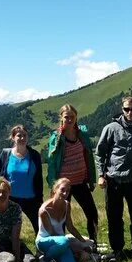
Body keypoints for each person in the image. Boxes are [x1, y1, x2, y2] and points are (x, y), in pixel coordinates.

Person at [95, 95, 132, 262]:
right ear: (122, 109)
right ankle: (118, 250)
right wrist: (100, 174)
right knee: (114, 216)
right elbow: (100, 153)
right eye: (126, 109)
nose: (130, 112)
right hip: (113, 179)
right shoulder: (111, 128)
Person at [47, 104, 98, 243]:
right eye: (66, 117)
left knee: (92, 214)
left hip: (81, 182)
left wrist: (91, 178)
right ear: (61, 118)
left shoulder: (82, 134)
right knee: (61, 217)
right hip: (64, 186)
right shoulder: (56, 137)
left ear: (76, 118)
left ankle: (93, 243)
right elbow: (51, 163)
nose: (69, 119)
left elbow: (89, 157)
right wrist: (53, 185)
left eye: (72, 117)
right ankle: (60, 245)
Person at [0, 125, 43, 235]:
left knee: (40, 227)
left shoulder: (34, 155)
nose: (22, 138)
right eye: (19, 135)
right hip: (9, 198)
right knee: (7, 228)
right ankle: (6, 249)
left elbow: (38, 178)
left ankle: (40, 250)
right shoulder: (6, 154)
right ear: (13, 137)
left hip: (31, 199)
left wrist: (40, 199)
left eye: (24, 135)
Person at [36, 178, 94, 262]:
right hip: (45, 241)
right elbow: (51, 233)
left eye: (67, 191)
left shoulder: (67, 205)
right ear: (55, 189)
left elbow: (70, 227)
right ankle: (45, 259)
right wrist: (70, 245)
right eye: (62, 190)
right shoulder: (44, 210)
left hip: (61, 242)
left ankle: (56, 259)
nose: (65, 193)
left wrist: (82, 241)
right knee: (64, 241)